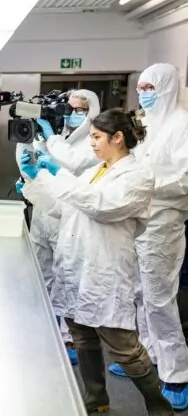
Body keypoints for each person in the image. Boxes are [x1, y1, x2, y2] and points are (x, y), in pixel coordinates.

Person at [20, 108, 174, 416]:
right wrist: (36, 179)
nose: (91, 143)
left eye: (96, 137)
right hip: (77, 266)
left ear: (117, 138)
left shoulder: (138, 175)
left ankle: (160, 408)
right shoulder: (95, 171)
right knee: (82, 335)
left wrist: (58, 173)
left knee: (123, 346)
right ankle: (96, 399)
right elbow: (63, 208)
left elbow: (101, 206)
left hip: (105, 270)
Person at [107, 63, 188, 410]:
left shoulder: (182, 124)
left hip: (163, 224)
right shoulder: (145, 124)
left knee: (159, 300)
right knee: (137, 294)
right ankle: (146, 358)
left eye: (149, 87)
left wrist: (148, 185)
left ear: (167, 86)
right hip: (137, 220)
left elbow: (185, 177)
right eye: (140, 88)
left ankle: (176, 374)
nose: (143, 94)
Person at [16, 89, 101, 365]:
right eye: (69, 108)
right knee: (41, 275)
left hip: (70, 219)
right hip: (43, 212)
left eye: (79, 109)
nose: (72, 114)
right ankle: (43, 329)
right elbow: (29, 160)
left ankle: (70, 338)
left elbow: (72, 163)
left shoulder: (92, 141)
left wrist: (50, 139)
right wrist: (29, 177)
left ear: (91, 111)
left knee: (68, 279)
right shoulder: (56, 135)